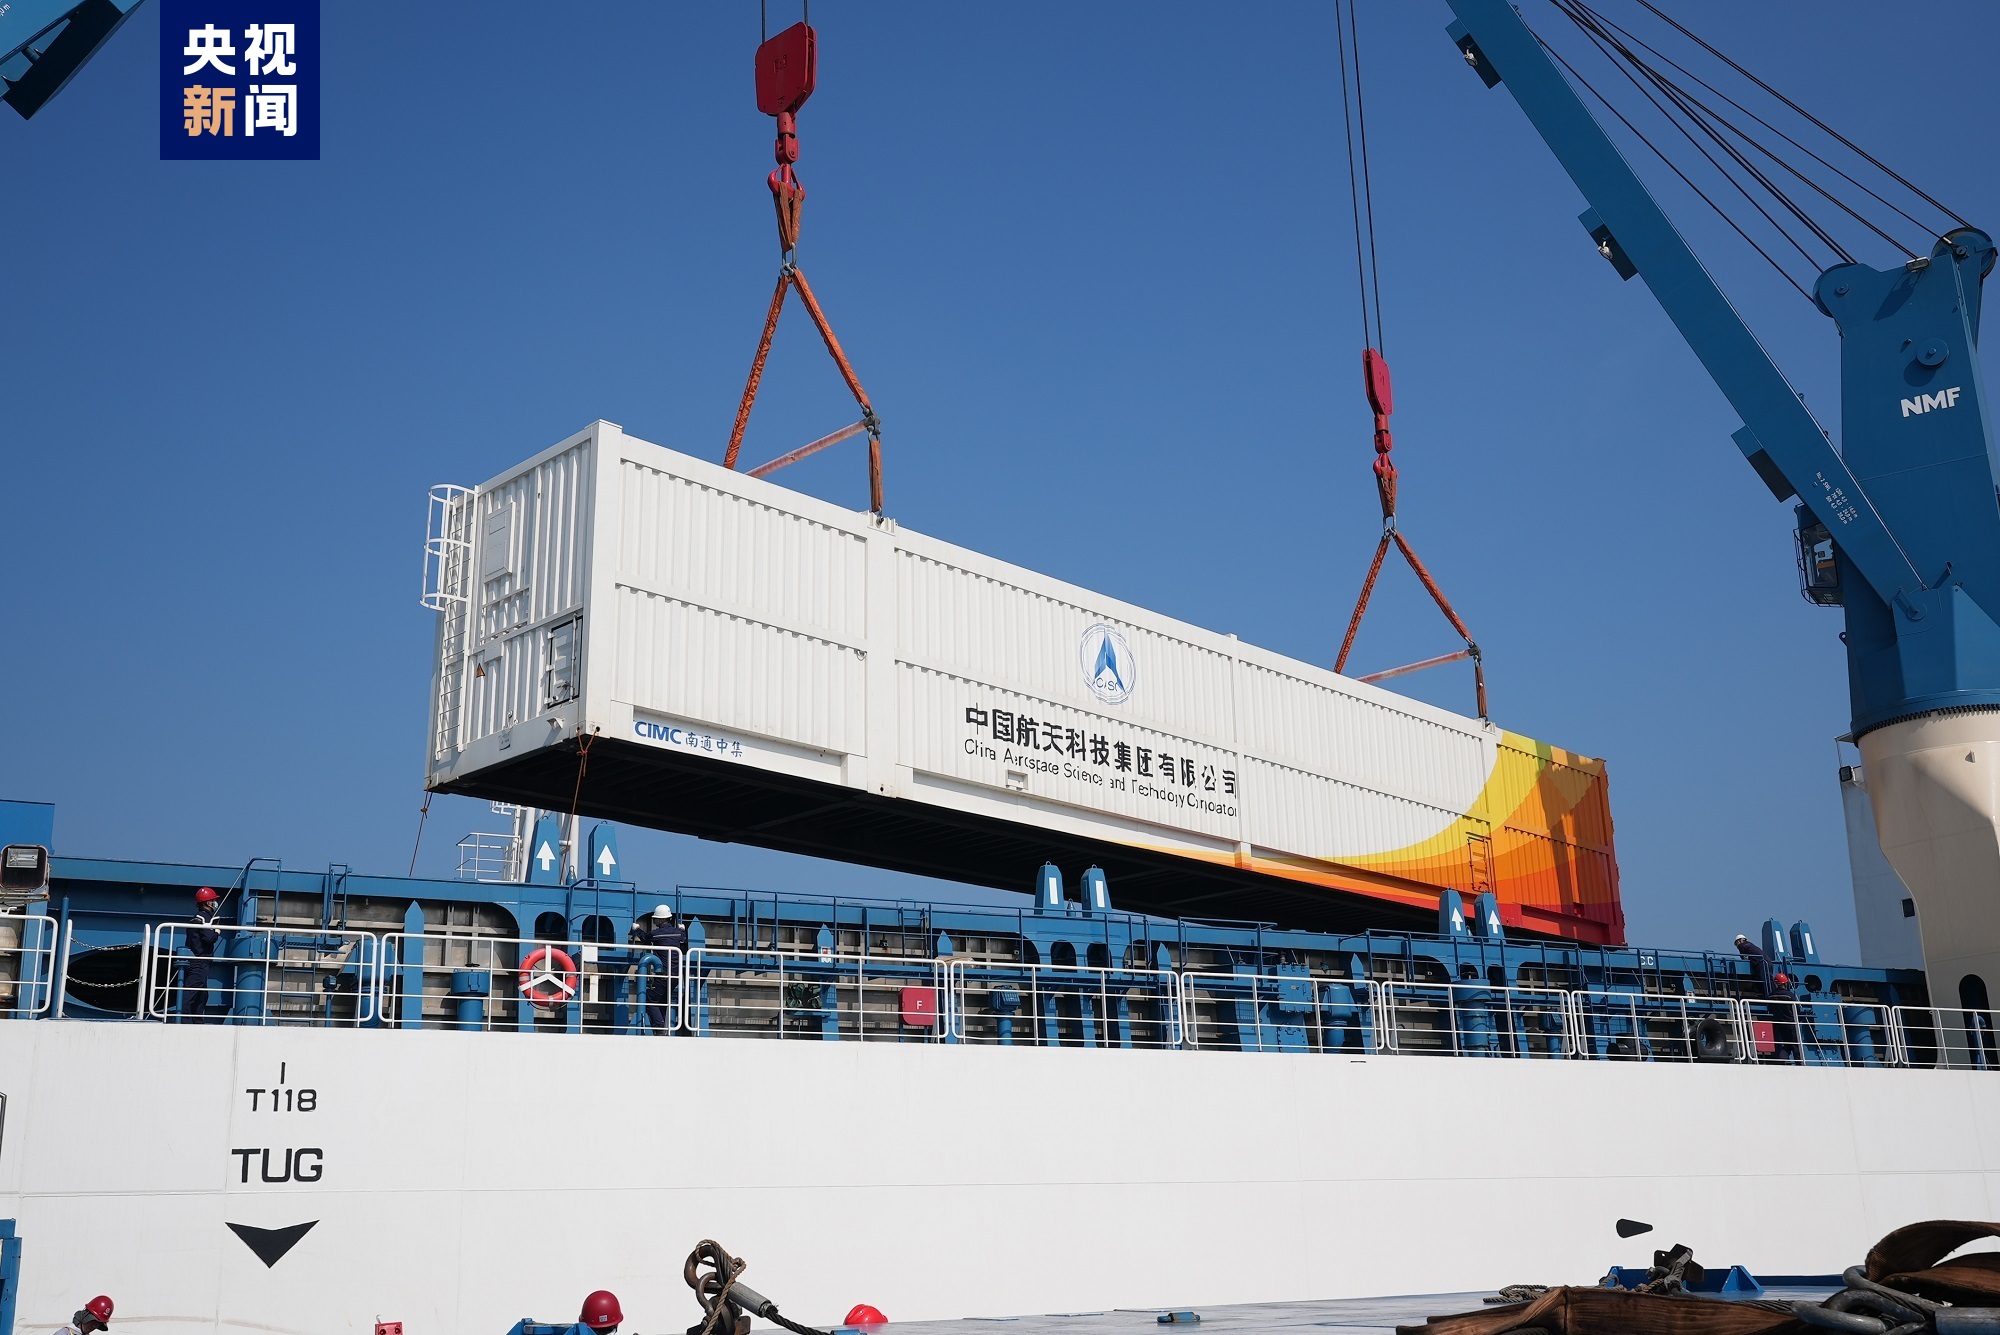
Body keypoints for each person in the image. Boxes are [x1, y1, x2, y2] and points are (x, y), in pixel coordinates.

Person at [640, 904, 686, 1035]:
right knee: (663, 1000)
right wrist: (682, 929)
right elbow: (683, 937)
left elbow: (644, 938)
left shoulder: (656, 934)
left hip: (663, 975)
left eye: (655, 919)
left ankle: (659, 1029)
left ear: (660, 920)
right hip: (676, 976)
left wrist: (637, 929)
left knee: (650, 999)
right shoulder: (678, 933)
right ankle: (662, 1030)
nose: (654, 921)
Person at [183, 886, 223, 1023]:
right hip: (199, 961)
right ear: (207, 902)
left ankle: (197, 1021)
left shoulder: (198, 918)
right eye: (213, 900)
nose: (215, 903)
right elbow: (209, 938)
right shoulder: (204, 918)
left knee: (202, 995)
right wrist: (216, 931)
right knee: (192, 993)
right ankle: (185, 1021)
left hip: (198, 961)